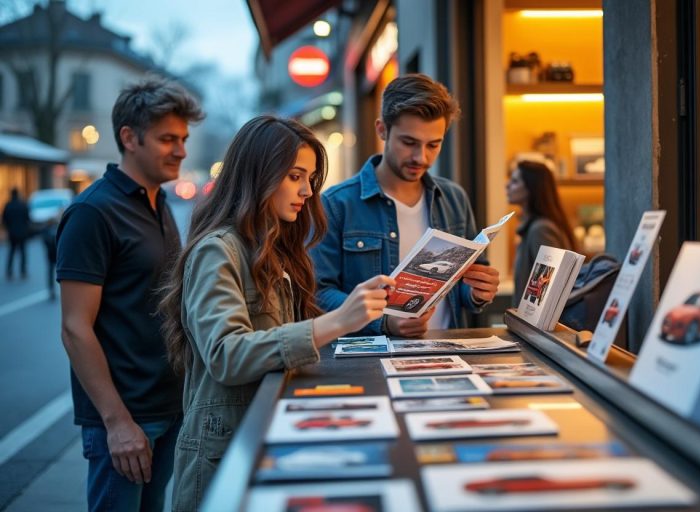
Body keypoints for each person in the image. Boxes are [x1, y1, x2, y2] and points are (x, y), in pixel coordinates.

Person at [159, 115, 394, 511]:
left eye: (311, 179)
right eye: (294, 176)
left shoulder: (276, 247)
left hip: (265, 439)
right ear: (258, 174)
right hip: (224, 457)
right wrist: (336, 321)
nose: (306, 190)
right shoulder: (218, 250)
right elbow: (227, 355)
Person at [56, 78, 204, 512]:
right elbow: (74, 328)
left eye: (183, 139)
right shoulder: (92, 212)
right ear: (129, 137)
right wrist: (117, 423)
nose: (180, 150)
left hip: (167, 406)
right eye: (167, 139)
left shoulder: (158, 203)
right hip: (123, 419)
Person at [311, 74, 500, 338]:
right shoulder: (336, 205)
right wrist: (384, 323)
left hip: (450, 357)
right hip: (371, 363)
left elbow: (465, 287)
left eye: (433, 145)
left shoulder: (454, 198)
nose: (420, 157)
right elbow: (317, 295)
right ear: (382, 130)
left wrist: (479, 291)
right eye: (409, 142)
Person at [506, 159, 577, 305]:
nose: (507, 185)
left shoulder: (541, 230)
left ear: (531, 188)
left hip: (535, 324)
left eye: (514, 181)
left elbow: (548, 287)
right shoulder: (534, 227)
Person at [2, 187, 30, 279]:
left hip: (12, 233)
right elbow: (27, 218)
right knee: (22, 253)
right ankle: (23, 271)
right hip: (22, 232)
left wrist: (9, 228)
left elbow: (4, 219)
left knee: (11, 252)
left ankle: (9, 271)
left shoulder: (8, 205)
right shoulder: (22, 205)